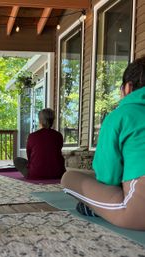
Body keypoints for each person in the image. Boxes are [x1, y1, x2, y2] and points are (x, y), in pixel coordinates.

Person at [61, 56, 145, 230]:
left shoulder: (121, 115)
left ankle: (98, 209)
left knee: (69, 177)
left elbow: (108, 176)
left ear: (128, 88)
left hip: (138, 213)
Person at [13, 108, 65, 179]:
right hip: (58, 174)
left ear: (40, 121)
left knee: (17, 160)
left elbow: (29, 155)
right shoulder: (59, 135)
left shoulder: (32, 136)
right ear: (53, 120)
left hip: (36, 174)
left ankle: (34, 171)